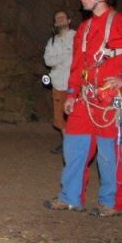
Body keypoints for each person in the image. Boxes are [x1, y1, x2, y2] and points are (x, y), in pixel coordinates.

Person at [45, 0, 122, 217]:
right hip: (85, 99)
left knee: (110, 154)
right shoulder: (84, 29)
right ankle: (70, 197)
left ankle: (111, 202)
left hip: (110, 100)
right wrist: (72, 94)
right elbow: (78, 66)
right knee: (74, 148)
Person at [43, 11, 75, 154]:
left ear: (69, 20)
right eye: (57, 18)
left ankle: (77, 145)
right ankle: (68, 145)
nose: (60, 19)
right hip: (59, 84)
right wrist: (65, 56)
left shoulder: (77, 36)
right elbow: (48, 60)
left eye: (63, 17)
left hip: (75, 83)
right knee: (60, 117)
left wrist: (59, 59)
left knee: (76, 116)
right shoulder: (52, 41)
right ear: (55, 23)